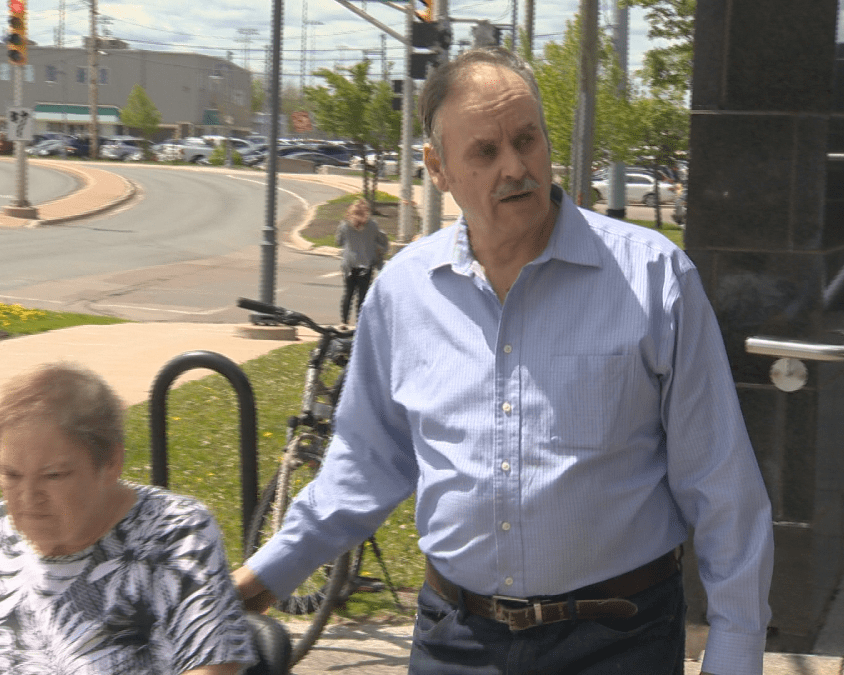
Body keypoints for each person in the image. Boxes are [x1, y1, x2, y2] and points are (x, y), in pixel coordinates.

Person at [234, 46, 773, 675]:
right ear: (437, 168)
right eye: (485, 152)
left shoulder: (653, 278)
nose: (516, 167)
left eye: (527, 139)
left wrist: (735, 654)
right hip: (457, 640)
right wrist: (259, 580)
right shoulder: (403, 292)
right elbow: (365, 464)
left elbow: (721, 486)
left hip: (619, 641)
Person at [0, 363, 254, 675]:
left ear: (110, 464)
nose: (29, 496)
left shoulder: (174, 533)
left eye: (54, 475)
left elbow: (213, 665)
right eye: (11, 474)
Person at [334, 197, 389, 325]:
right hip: (366, 264)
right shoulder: (372, 225)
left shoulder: (344, 226)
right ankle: (360, 322)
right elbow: (380, 239)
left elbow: (338, 241)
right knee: (362, 295)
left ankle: (344, 322)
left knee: (348, 293)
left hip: (349, 264)